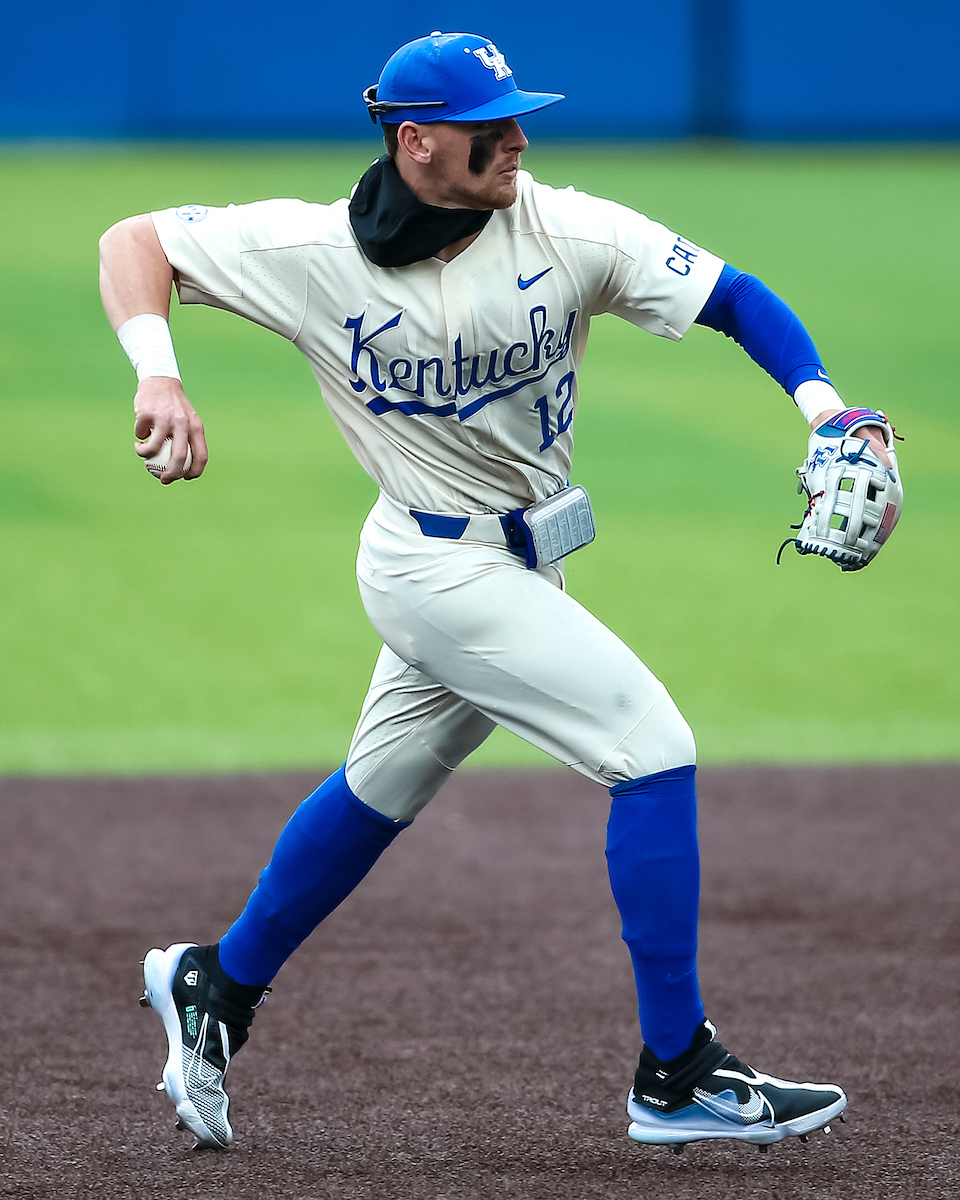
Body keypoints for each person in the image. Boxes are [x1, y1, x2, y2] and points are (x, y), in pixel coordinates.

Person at [99, 31, 892, 1154]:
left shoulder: (563, 226)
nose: (517, 138)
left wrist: (828, 409)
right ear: (415, 142)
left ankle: (215, 986)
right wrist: (158, 371)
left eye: (521, 116)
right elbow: (132, 242)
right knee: (651, 747)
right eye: (490, 125)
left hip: (524, 559)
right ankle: (677, 1072)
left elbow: (733, 296)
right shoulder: (307, 251)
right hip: (430, 566)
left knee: (381, 787)